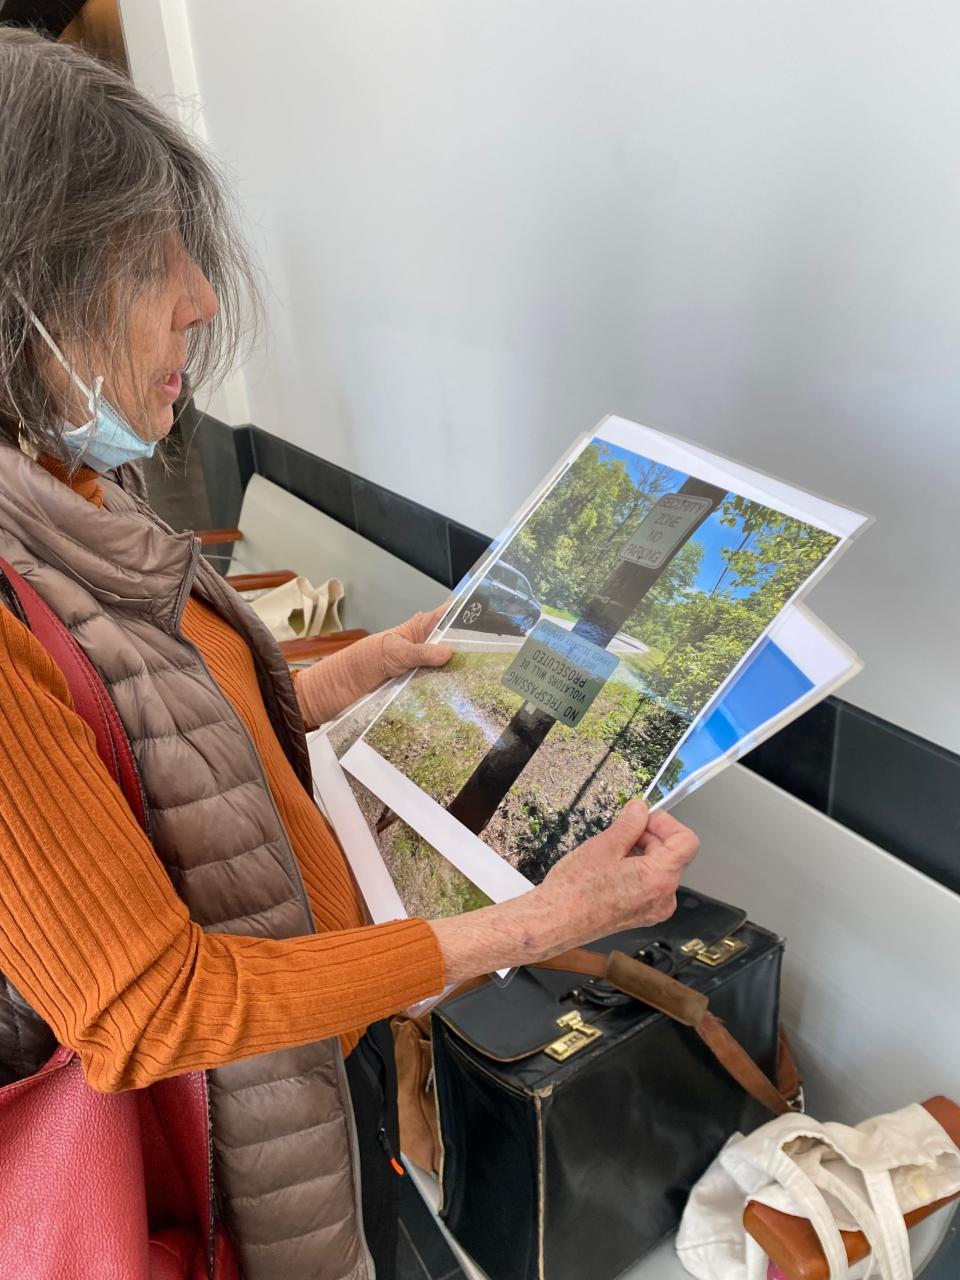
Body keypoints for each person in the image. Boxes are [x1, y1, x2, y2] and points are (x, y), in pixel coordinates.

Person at [0, 28, 700, 1280]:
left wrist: (358, 669)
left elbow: (169, 758)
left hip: (319, 1083)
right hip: (233, 1179)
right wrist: (536, 924)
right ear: (28, 290)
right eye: (150, 255)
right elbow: (152, 1007)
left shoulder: (76, 492)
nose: (202, 299)